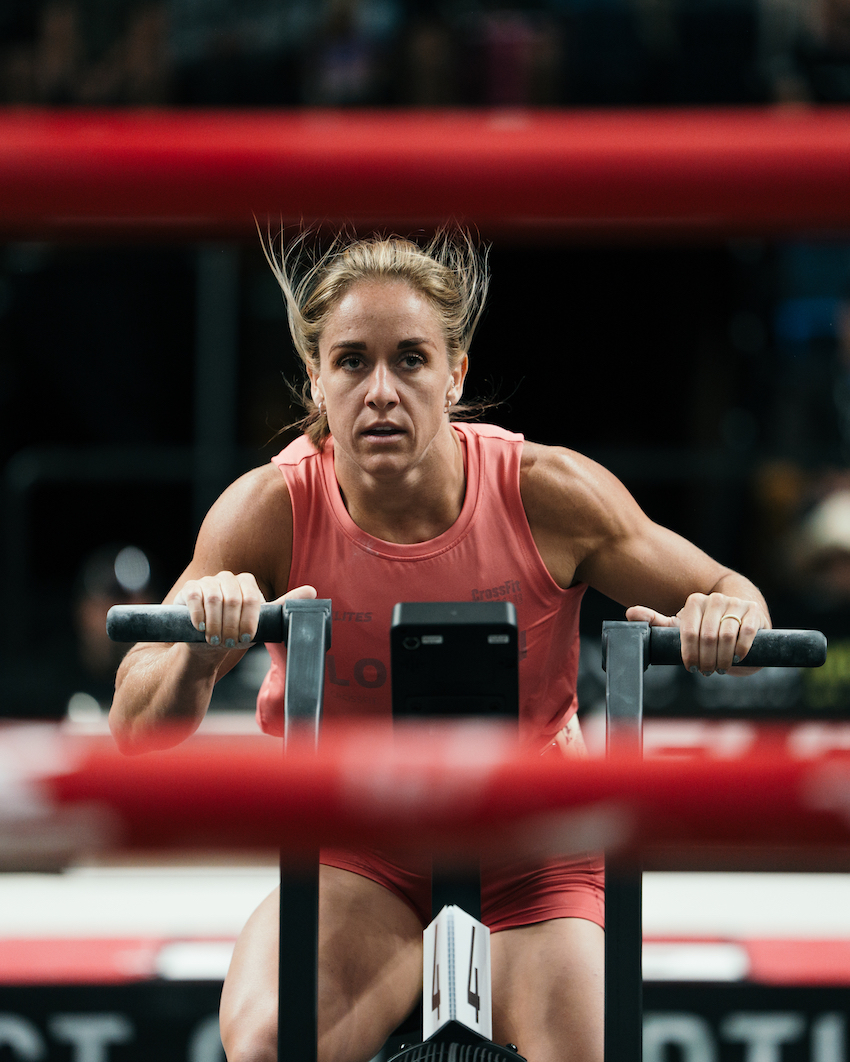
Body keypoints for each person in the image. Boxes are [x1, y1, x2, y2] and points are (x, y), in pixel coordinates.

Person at [109, 229, 771, 1062]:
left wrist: (725, 619)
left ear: (455, 373)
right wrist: (201, 653)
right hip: (361, 851)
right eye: (351, 362)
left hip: (531, 851)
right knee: (274, 1041)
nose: (380, 391)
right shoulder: (266, 510)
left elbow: (735, 591)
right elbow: (131, 729)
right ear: (316, 376)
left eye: (411, 360)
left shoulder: (548, 492)